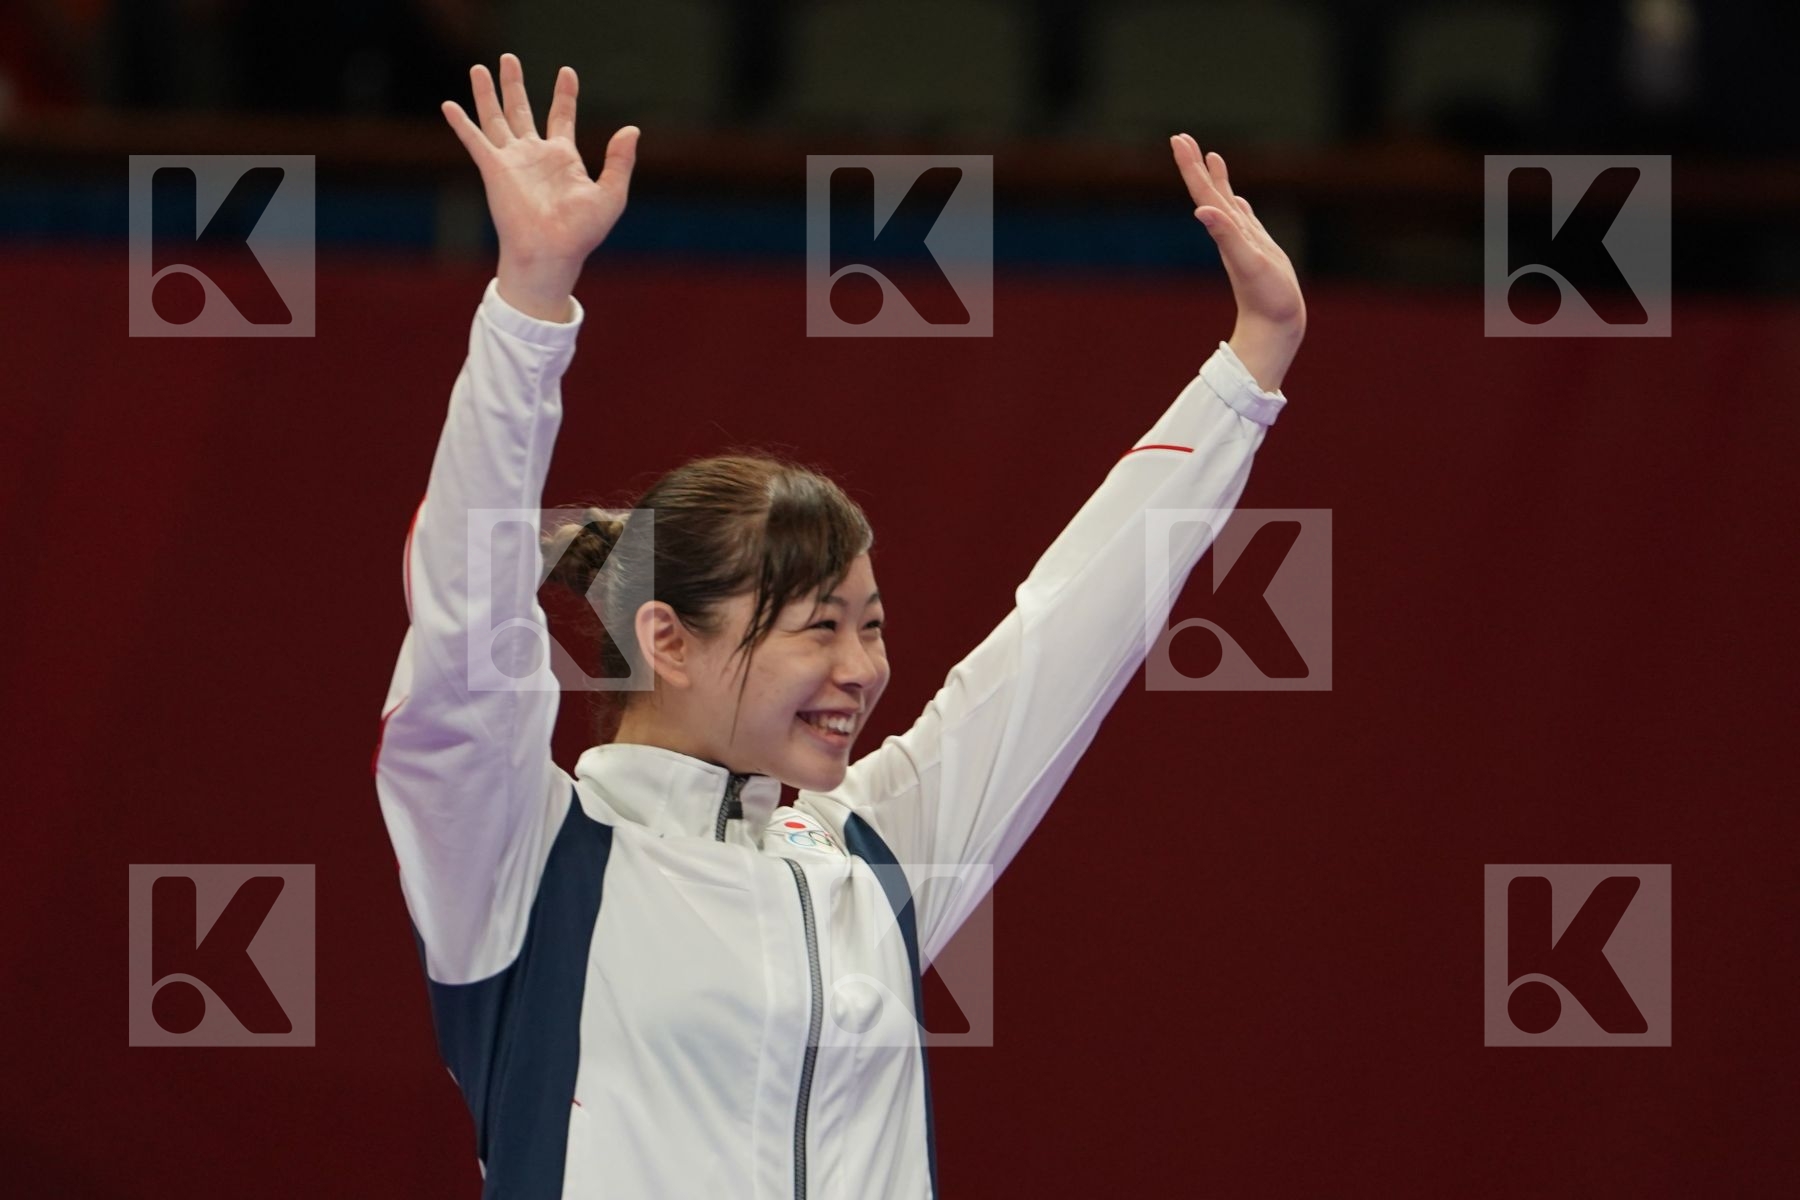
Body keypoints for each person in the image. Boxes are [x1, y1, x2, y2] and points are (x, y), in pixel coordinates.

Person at [372, 51, 1305, 1199]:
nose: (864, 668)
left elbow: (1070, 630)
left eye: (871, 625)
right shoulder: (525, 857)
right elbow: (467, 628)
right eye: (819, 627)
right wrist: (530, 300)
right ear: (666, 639)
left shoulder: (873, 854)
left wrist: (1247, 369)